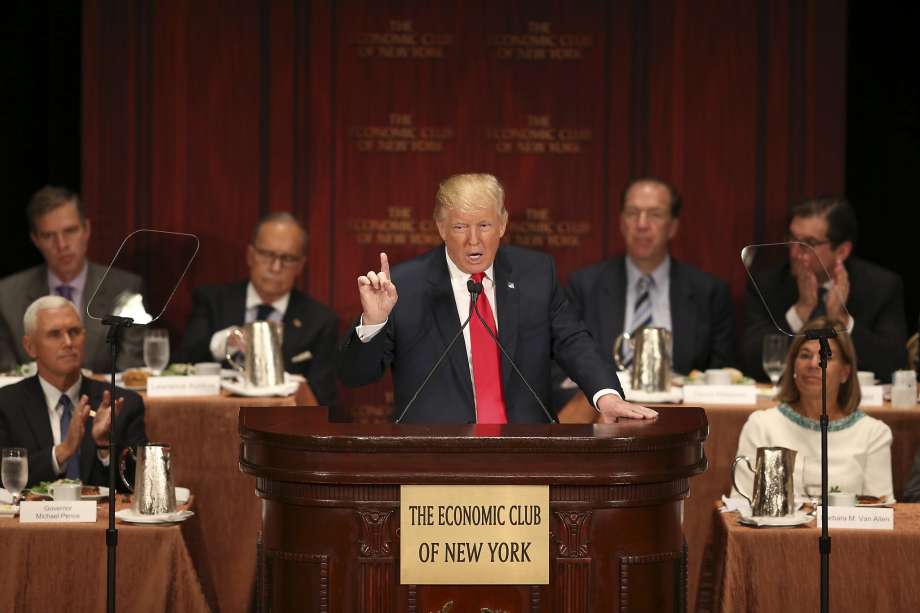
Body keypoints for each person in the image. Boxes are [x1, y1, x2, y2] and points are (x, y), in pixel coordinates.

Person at [338, 172, 658, 424]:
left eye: (485, 225)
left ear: (502, 224)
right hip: (436, 457)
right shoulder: (405, 285)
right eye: (461, 226)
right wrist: (375, 322)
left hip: (525, 454)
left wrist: (607, 396)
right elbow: (355, 376)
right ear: (440, 227)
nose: (473, 240)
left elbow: (573, 342)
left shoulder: (535, 273)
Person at [564, 177, 735, 377]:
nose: (642, 224)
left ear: (672, 227)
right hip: (604, 406)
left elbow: (722, 374)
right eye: (632, 213)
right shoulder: (584, 287)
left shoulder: (709, 293)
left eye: (655, 214)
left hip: (683, 406)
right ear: (621, 223)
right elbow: (564, 363)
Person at [178, 212, 339, 406]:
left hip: (283, 425)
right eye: (267, 254)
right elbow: (183, 362)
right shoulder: (212, 300)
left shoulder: (320, 321)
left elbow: (322, 400)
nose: (276, 267)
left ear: (300, 266)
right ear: (250, 255)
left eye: (287, 258)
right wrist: (225, 342)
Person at [742, 197, 907, 382]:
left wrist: (842, 321)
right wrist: (801, 312)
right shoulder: (767, 284)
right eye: (792, 239)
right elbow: (749, 362)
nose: (794, 252)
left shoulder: (880, 286)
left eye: (808, 243)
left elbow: (895, 365)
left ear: (842, 251)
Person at [732, 316, 893, 500]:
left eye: (826, 356)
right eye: (805, 355)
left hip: (845, 530)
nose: (812, 364)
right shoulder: (762, 426)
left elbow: (882, 514)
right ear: (793, 364)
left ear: (845, 372)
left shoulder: (873, 434)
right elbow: (739, 507)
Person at [0, 296, 147, 488]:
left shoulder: (122, 404)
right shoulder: (6, 405)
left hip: (99, 517)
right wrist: (61, 452)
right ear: (30, 346)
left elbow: (141, 483)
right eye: (55, 334)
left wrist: (105, 447)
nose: (68, 342)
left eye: (74, 332)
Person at [0, 186, 144, 373]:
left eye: (70, 231)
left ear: (86, 230)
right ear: (35, 240)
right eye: (49, 236)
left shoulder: (125, 289)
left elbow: (130, 372)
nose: (62, 245)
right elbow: (6, 377)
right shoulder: (6, 296)